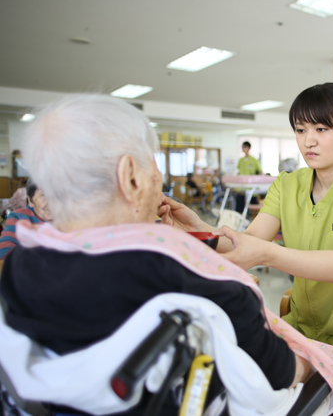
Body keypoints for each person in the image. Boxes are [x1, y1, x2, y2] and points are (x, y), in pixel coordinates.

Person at [0, 94, 314, 415]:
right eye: (153, 162)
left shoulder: (19, 265)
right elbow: (277, 370)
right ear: (131, 176)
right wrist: (310, 368)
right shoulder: (174, 267)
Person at [216, 83, 333, 405]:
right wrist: (196, 232)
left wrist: (267, 254)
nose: (309, 140)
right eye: (301, 129)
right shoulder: (286, 184)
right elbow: (245, 242)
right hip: (301, 329)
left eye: (322, 128)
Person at [0, 178, 53, 260]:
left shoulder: (74, 220)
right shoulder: (19, 217)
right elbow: (4, 252)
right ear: (30, 201)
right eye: (44, 195)